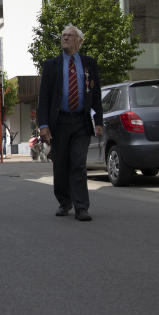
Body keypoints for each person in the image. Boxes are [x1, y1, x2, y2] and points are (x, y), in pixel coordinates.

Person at [36, 24, 103, 222]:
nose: (64, 38)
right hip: (60, 122)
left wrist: (98, 121)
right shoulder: (51, 65)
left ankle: (82, 207)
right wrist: (43, 125)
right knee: (61, 164)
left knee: (78, 163)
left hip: (81, 121)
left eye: (69, 36)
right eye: (63, 35)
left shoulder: (89, 63)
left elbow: (96, 95)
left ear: (78, 41)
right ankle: (64, 202)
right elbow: (44, 98)